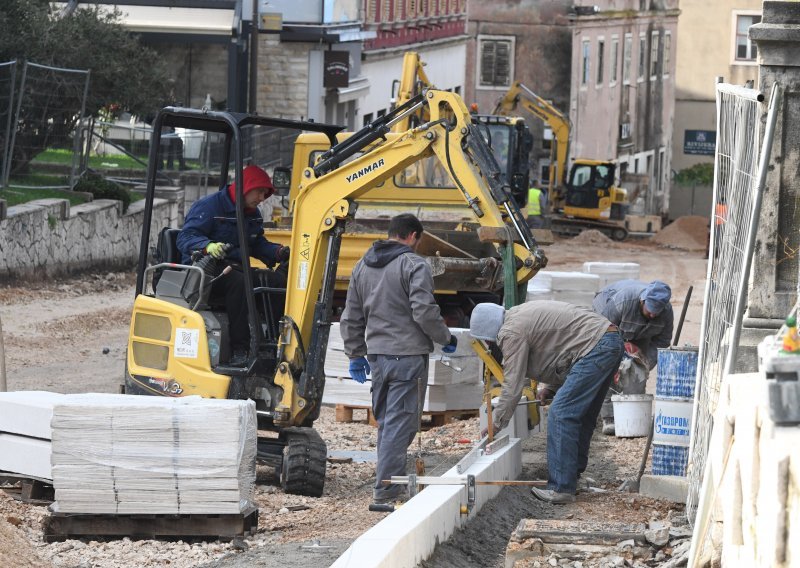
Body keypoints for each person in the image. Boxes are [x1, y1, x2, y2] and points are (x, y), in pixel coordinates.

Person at [340, 213, 458, 506]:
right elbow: (424, 311)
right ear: (413, 236)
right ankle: (387, 489)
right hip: (407, 356)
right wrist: (446, 338)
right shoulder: (414, 264)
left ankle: (388, 479)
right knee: (399, 423)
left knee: (387, 422)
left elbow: (351, 315)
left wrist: (356, 353)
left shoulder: (362, 266)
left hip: (378, 357)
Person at [470, 300, 623, 504]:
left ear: (489, 331)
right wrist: (550, 389)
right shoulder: (519, 315)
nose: (490, 345)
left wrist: (495, 423)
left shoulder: (511, 331)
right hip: (609, 340)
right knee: (583, 414)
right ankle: (571, 478)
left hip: (596, 346)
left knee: (560, 413)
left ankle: (560, 488)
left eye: (487, 341)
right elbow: (562, 348)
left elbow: (512, 385)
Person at [176, 165, 290, 366]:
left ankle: (273, 344)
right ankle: (241, 350)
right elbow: (186, 237)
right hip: (203, 275)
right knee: (238, 282)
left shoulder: (252, 213)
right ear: (246, 186)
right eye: (260, 191)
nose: (262, 197)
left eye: (265, 193)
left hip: (235, 270)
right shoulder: (209, 207)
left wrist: (278, 252)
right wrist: (207, 246)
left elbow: (256, 244)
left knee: (274, 280)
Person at [590, 280, 674, 435]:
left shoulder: (666, 313)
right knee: (608, 367)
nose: (653, 314)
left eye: (657, 311)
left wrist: (643, 363)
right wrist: (621, 348)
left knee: (635, 370)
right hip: (608, 322)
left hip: (639, 331)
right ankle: (608, 417)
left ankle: (631, 415)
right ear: (643, 300)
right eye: (650, 310)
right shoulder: (624, 301)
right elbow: (602, 332)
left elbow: (661, 343)